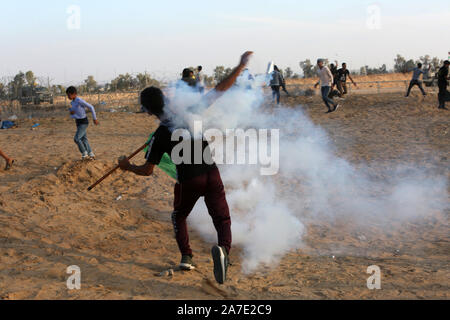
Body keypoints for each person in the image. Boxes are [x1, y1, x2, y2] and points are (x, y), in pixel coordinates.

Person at [118, 51, 254, 285]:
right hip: (211, 174)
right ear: (166, 99)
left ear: (148, 111)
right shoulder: (190, 112)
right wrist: (240, 67)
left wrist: (127, 166)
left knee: (179, 215)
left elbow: (147, 170)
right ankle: (223, 251)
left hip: (188, 181)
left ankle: (186, 257)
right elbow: (219, 91)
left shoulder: (159, 135)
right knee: (222, 219)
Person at [66, 86, 99, 160]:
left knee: (77, 139)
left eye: (69, 95)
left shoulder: (79, 100)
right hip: (78, 122)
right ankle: (91, 153)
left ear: (74, 94)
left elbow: (91, 107)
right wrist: (71, 112)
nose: (68, 96)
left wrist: (94, 118)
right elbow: (74, 113)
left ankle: (84, 153)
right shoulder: (72, 102)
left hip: (83, 122)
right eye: (67, 95)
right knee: (84, 139)